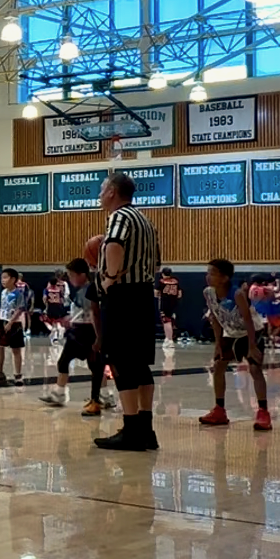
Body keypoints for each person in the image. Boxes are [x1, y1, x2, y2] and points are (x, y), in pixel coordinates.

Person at [92, 172, 163, 452]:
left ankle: (131, 430)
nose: (99, 194)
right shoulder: (146, 220)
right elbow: (157, 261)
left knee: (120, 362)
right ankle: (146, 428)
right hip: (144, 294)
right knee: (140, 364)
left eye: (102, 189)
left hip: (123, 296)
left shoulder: (119, 217)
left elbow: (114, 245)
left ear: (112, 191)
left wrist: (109, 278)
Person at [197, 258, 270, 431]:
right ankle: (219, 410)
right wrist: (217, 343)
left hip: (251, 332)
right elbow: (214, 317)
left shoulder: (237, 294)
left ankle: (263, 412)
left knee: (254, 369)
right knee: (218, 366)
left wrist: (252, 346)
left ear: (225, 278)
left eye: (212, 273)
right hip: (230, 332)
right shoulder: (208, 292)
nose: (208, 277)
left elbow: (248, 320)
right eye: (208, 273)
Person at [38, 257, 110, 416]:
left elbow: (93, 313)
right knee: (64, 361)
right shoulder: (81, 290)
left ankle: (99, 398)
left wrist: (99, 336)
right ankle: (59, 393)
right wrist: (71, 319)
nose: (69, 279)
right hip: (77, 330)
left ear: (82, 274)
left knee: (95, 367)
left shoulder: (89, 289)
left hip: (88, 331)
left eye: (71, 275)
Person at [0, 268, 29, 386]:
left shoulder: (18, 293)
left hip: (14, 324)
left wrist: (11, 322)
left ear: (13, 279)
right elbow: (2, 308)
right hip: (3, 321)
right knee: (0, 347)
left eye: (5, 277)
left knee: (16, 350)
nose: (3, 280)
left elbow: (20, 309)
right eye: (2, 278)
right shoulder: (3, 293)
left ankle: (18, 376)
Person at [42, 271, 69, 344]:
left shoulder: (47, 289)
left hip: (51, 306)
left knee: (48, 320)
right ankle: (60, 329)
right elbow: (62, 298)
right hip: (59, 305)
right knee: (57, 321)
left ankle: (55, 335)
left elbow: (44, 298)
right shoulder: (59, 289)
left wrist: (46, 305)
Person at [157, 268, 181, 345]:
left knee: (166, 321)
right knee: (171, 320)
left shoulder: (161, 281)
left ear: (163, 274)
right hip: (174, 304)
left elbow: (156, 293)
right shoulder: (175, 281)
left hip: (165, 303)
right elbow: (180, 294)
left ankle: (169, 339)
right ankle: (170, 337)